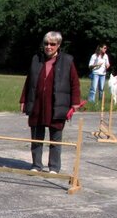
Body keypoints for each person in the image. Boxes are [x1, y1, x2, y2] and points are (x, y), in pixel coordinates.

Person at [19, 31, 81, 174]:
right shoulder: (36, 59)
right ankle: (36, 165)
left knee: (56, 138)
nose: (48, 47)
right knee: (36, 136)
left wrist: (75, 103)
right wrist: (23, 99)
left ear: (58, 45)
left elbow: (75, 83)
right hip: (37, 104)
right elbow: (29, 81)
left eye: (52, 44)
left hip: (57, 105)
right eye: (46, 43)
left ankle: (54, 167)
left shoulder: (67, 61)